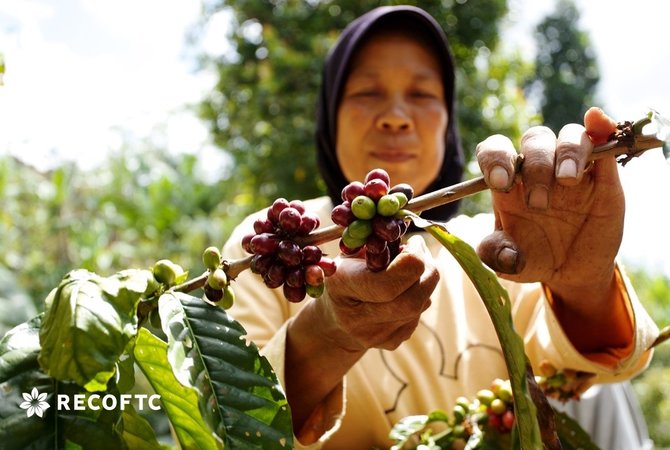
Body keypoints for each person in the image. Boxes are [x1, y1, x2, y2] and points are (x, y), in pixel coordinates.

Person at [221, 5, 659, 449]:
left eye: (422, 94)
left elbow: (588, 374)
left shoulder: (500, 244)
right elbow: (226, 424)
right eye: (367, 93)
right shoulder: (272, 246)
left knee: (604, 395)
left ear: (449, 122)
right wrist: (326, 336)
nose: (396, 115)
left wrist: (583, 285)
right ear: (329, 117)